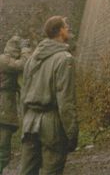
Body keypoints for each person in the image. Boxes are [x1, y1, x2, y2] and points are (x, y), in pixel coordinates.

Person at [19, 16, 78, 175]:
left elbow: (24, 95)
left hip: (30, 122)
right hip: (51, 124)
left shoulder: (31, 60)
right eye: (66, 26)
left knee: (26, 171)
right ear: (60, 31)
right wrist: (72, 133)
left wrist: (24, 121)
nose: (68, 29)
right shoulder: (65, 59)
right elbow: (66, 101)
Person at [0, 36, 31, 174]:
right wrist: (25, 50)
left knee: (4, 150)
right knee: (3, 150)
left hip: (6, 109)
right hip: (4, 109)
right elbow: (23, 64)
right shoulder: (4, 59)